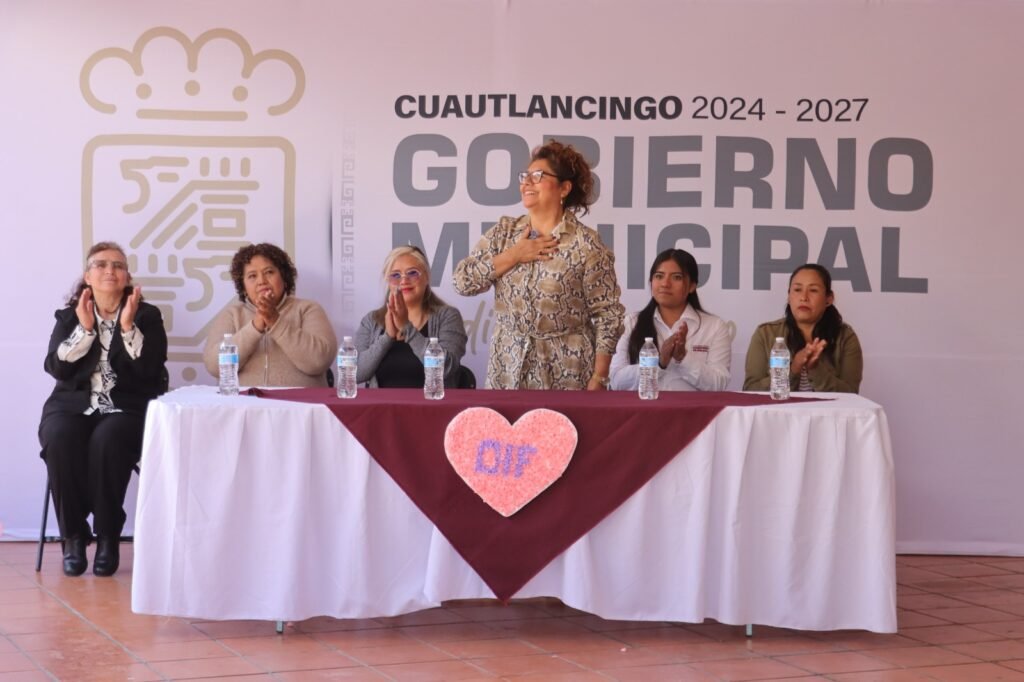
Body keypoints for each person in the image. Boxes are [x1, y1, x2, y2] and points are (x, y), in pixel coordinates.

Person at [39, 242, 168, 577]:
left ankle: (108, 536)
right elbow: (56, 367)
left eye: (118, 265)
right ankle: (73, 536)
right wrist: (84, 331)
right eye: (101, 264)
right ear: (87, 276)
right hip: (71, 406)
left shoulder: (147, 316)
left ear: (127, 277)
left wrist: (127, 328)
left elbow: (151, 371)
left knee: (108, 438)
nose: (110, 270)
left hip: (127, 407)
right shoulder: (69, 316)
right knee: (60, 436)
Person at [453, 140, 624, 390]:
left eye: (537, 176)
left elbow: (609, 315)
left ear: (564, 188)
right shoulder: (504, 233)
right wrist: (514, 254)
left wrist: (599, 377)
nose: (526, 183)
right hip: (507, 370)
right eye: (525, 176)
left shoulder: (586, 244)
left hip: (567, 373)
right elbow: (462, 283)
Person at [203, 243, 336, 387]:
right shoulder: (231, 314)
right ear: (244, 287)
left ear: (284, 278)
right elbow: (214, 366)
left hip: (300, 401)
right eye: (252, 276)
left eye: (269, 272)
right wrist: (254, 327)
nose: (262, 281)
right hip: (243, 400)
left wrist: (275, 321)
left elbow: (319, 361)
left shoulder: (308, 309)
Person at [610, 249, 732, 392]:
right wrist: (658, 363)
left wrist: (683, 358)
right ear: (651, 282)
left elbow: (718, 384)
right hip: (644, 406)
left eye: (676, 277)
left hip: (693, 407)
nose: (665, 283)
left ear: (692, 286)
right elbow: (616, 381)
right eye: (659, 276)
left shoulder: (715, 327)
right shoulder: (631, 322)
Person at [355, 245, 467, 387]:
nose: (404, 281)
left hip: (431, 402)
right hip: (381, 402)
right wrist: (387, 337)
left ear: (427, 277)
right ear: (388, 281)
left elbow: (446, 369)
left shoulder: (448, 316)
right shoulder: (371, 320)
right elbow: (356, 374)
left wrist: (407, 329)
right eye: (395, 275)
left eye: (412, 273)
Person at [744, 263, 863, 393]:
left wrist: (815, 369)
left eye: (813, 290)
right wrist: (793, 369)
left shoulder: (845, 337)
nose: (804, 298)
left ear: (828, 299)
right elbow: (750, 390)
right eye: (797, 289)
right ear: (789, 296)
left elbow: (851, 394)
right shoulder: (765, 334)